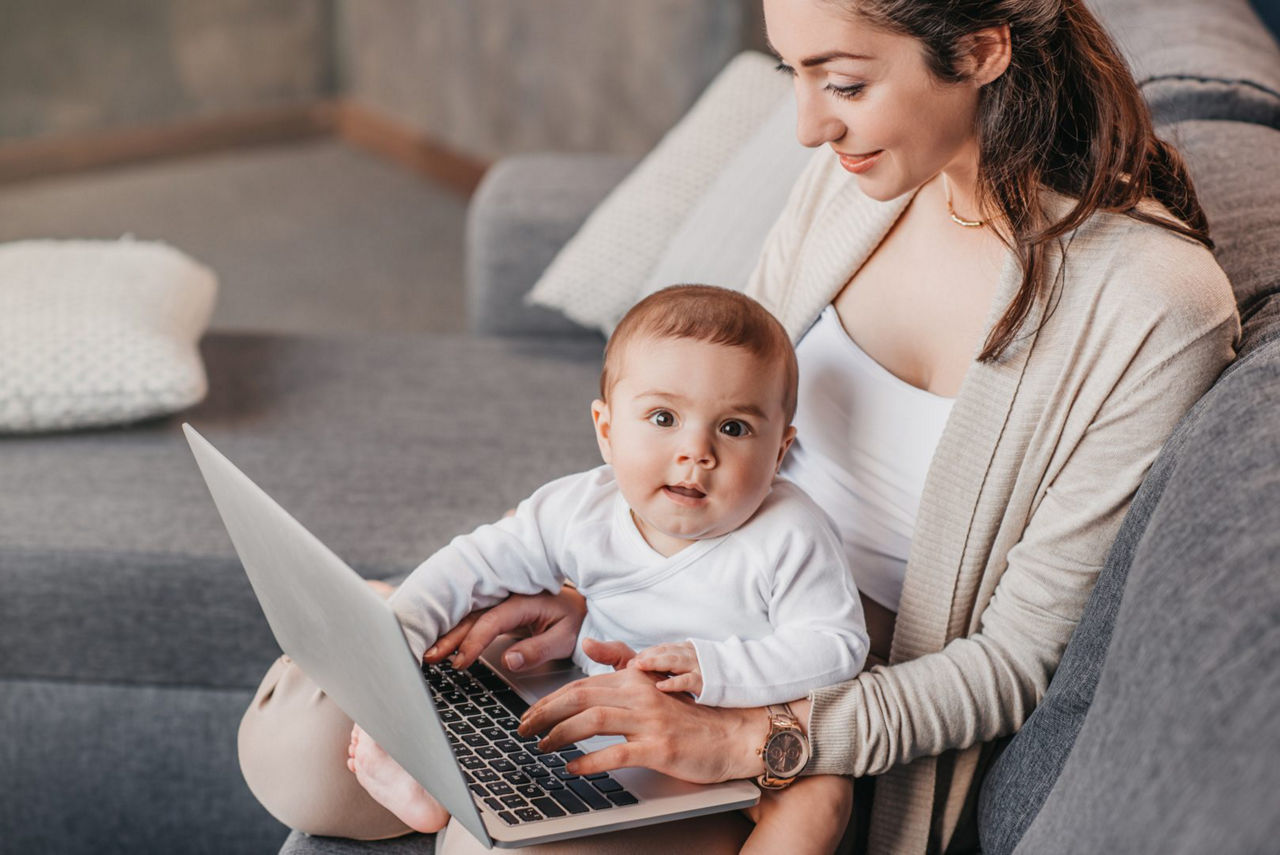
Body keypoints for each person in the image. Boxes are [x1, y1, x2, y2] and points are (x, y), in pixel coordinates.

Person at [240, 0, 1240, 852]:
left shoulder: (1147, 304)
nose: (805, 127)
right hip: (678, 615)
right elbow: (702, 412)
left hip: (821, 716)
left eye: (841, 82)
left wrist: (743, 738)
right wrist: (590, 591)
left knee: (479, 831)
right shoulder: (851, 190)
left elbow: (1013, 668)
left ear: (980, 51)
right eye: (790, 75)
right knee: (302, 731)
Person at [344, 284, 869, 853]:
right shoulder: (581, 508)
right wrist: (404, 628)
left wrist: (712, 667)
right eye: (664, 416)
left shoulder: (791, 533)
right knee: (432, 646)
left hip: (737, 741)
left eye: (734, 428)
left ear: (780, 451)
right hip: (600, 715)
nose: (696, 451)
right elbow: (474, 562)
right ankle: (429, 783)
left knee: (822, 797)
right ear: (607, 430)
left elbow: (836, 645)